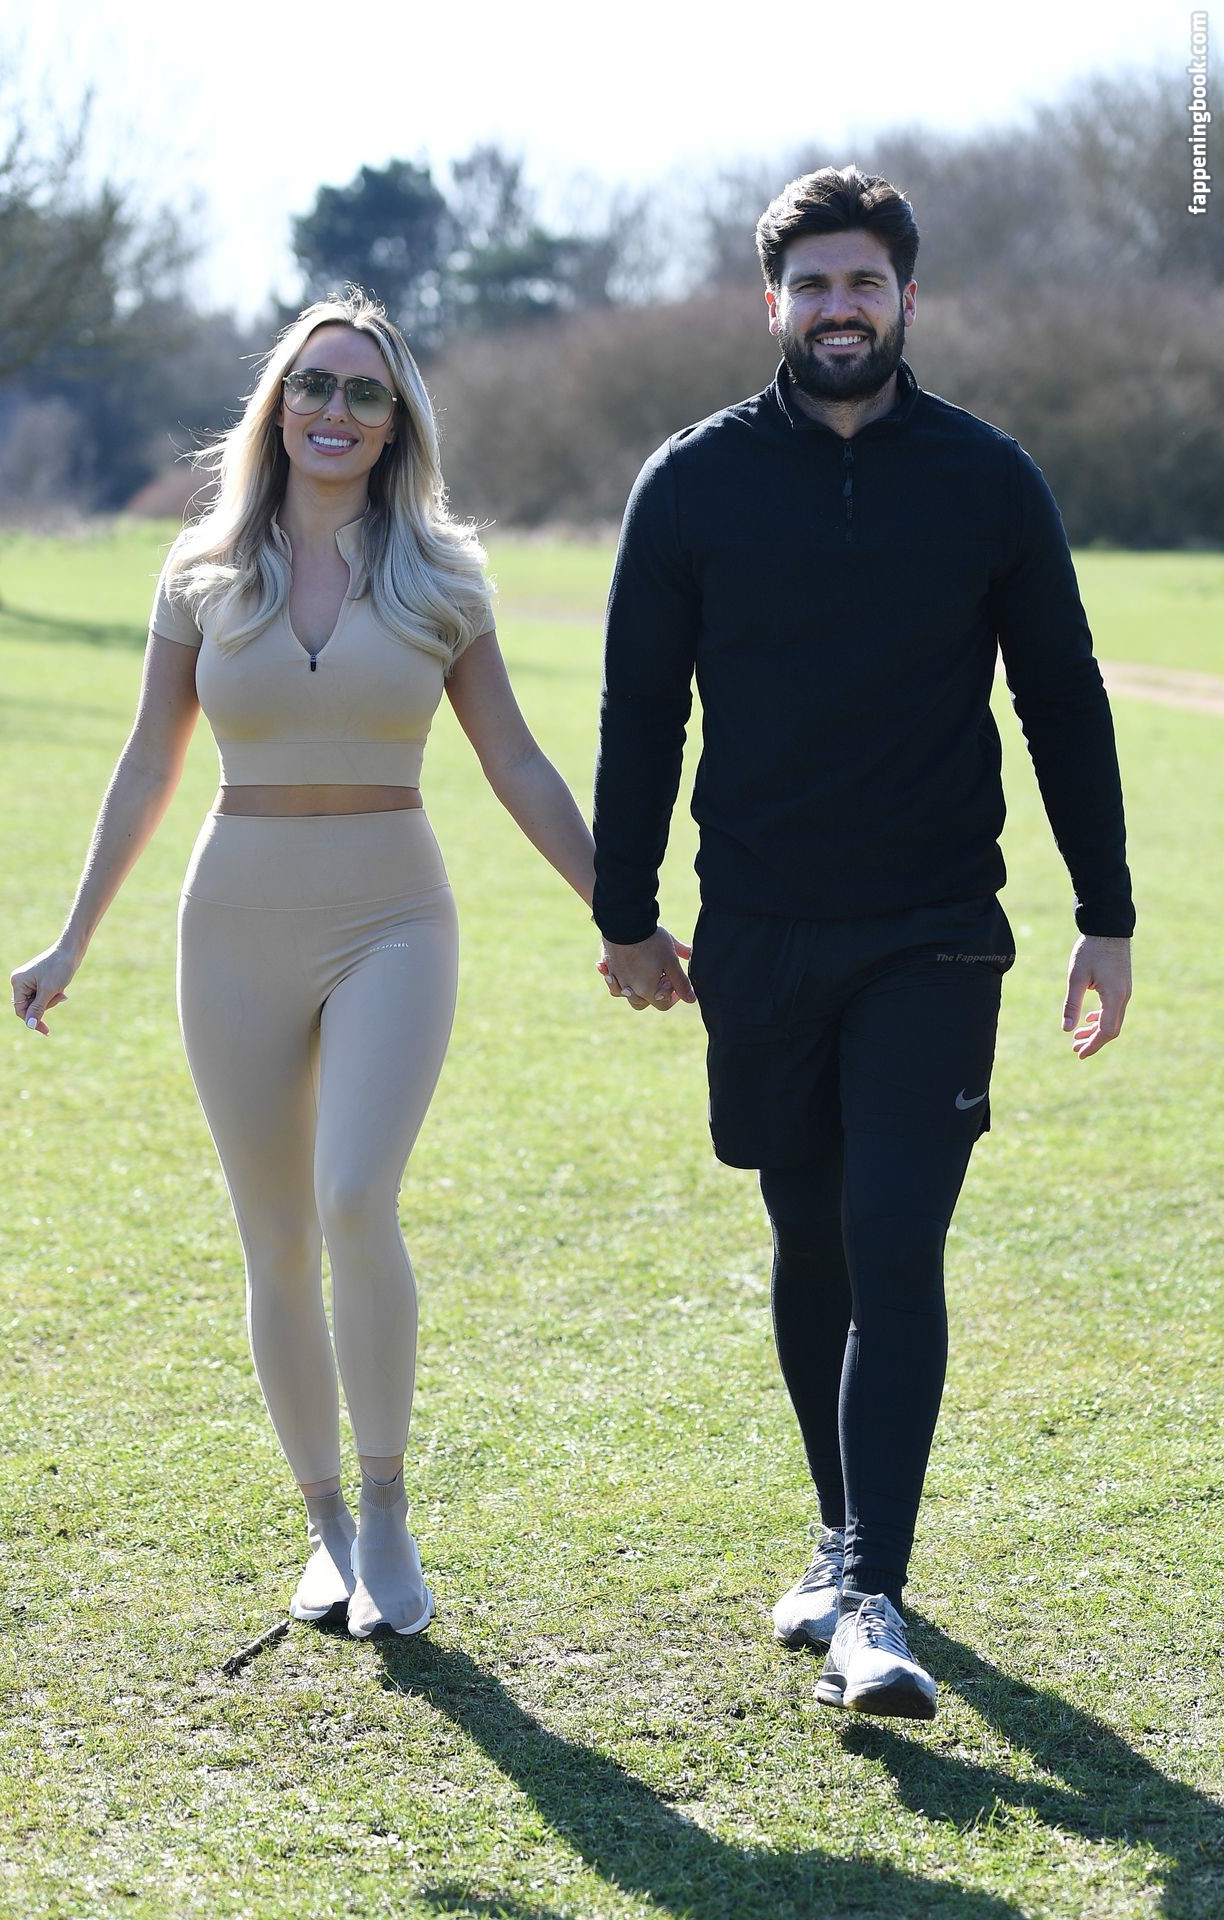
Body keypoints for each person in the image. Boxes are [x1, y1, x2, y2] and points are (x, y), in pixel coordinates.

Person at [591, 167, 1134, 1719]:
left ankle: (874, 1596)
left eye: (867, 283)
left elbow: (1062, 697)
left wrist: (1105, 914)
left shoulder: (987, 479)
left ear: (907, 298)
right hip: (760, 932)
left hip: (935, 932)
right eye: (815, 285)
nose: (842, 308)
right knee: (812, 1235)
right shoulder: (691, 484)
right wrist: (626, 912)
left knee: (896, 1237)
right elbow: (643, 711)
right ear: (774, 303)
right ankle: (842, 1543)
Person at [9, 289, 629, 1639]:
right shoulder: (200, 570)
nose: (335, 410)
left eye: (364, 391)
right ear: (277, 406)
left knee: (354, 1197)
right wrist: (73, 936)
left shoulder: (442, 575)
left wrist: (618, 913)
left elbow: (515, 761)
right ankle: (327, 1528)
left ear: (397, 421)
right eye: (313, 385)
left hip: (393, 914)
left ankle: (391, 1513)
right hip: (232, 919)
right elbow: (148, 764)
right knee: (277, 1237)